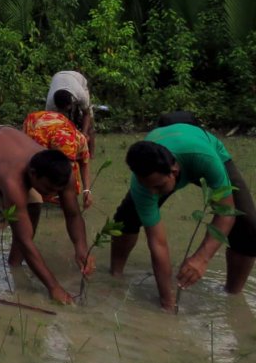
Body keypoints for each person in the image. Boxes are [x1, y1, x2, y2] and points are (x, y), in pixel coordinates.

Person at [109, 122, 256, 311]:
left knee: (249, 225)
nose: (153, 194)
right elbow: (157, 243)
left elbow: (226, 214)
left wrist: (201, 258)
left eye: (159, 187)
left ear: (174, 173)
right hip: (166, 141)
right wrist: (168, 303)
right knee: (127, 217)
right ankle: (115, 275)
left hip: (204, 149)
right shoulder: (143, 187)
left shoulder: (205, 159)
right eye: (148, 187)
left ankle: (232, 295)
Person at [0, 126, 93, 304]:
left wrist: (81, 249)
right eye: (48, 189)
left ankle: (15, 264)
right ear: (32, 174)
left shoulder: (64, 175)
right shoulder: (12, 180)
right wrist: (54, 287)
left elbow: (73, 214)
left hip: (6, 149)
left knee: (34, 206)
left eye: (56, 192)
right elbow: (25, 240)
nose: (51, 196)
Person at [23, 110, 92, 209]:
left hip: (59, 127)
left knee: (71, 178)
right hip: (37, 122)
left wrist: (87, 190)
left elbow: (84, 164)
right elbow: (33, 164)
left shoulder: (81, 140)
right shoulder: (39, 138)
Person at [46, 70, 95, 155]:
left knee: (89, 125)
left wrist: (84, 134)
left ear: (72, 102)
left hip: (77, 79)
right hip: (57, 77)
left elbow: (86, 114)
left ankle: (91, 155)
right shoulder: (50, 103)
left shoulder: (81, 95)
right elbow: (48, 123)